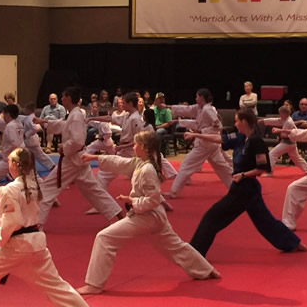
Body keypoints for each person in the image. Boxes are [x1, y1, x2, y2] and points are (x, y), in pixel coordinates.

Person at [76, 131, 220, 295]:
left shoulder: (148, 170)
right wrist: (95, 158)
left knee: (104, 238)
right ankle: (206, 270)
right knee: (176, 247)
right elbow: (121, 163)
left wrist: (131, 201)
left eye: (136, 144)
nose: (133, 146)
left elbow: (153, 200)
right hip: (154, 216)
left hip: (148, 216)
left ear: (143, 147)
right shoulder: (140, 163)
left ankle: (94, 285)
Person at [0, 148, 88, 307]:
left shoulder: (13, 189)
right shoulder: (34, 184)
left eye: (8, 162)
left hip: (17, 248)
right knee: (56, 287)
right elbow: (8, 191)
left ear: (14, 164)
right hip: (36, 245)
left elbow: (12, 221)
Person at [186, 109, 306, 256]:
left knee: (212, 217)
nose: (235, 124)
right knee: (265, 221)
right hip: (243, 188)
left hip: (245, 189)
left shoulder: (256, 142)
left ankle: (195, 252)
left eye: (237, 121)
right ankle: (293, 243)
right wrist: (196, 135)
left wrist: (243, 175)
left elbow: (263, 168)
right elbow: (220, 139)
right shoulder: (241, 137)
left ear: (244, 121)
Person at [33, 87, 124, 226]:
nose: (61, 99)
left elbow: (77, 141)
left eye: (63, 97)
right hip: (78, 159)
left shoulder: (75, 115)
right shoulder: (74, 114)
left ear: (69, 98)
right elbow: (63, 125)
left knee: (47, 188)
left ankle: (37, 224)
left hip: (72, 159)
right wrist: (43, 122)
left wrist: (64, 147)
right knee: (94, 191)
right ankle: (119, 215)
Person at [163, 89, 234, 198]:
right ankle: (235, 189)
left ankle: (174, 192)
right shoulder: (199, 108)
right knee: (222, 167)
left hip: (206, 143)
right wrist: (169, 108)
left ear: (201, 97)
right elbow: (187, 110)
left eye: (197, 97)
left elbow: (218, 125)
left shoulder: (207, 109)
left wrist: (202, 132)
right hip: (210, 144)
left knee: (186, 165)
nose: (195, 99)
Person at [261, 105, 307, 175]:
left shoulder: (289, 122)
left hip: (287, 143)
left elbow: (284, 134)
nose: (279, 115)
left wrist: (277, 131)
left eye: (280, 113)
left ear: (284, 113)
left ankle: (269, 171)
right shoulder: (286, 119)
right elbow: (276, 121)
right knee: (296, 158)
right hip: (291, 143)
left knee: (272, 154)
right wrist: (263, 121)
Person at [18, 103, 55, 172]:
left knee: (40, 155)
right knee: (34, 155)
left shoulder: (30, 118)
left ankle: (52, 166)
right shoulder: (29, 117)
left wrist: (26, 134)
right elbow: (22, 117)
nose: (24, 110)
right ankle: (26, 167)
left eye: (25, 109)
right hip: (30, 140)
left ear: (28, 110)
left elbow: (35, 129)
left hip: (31, 140)